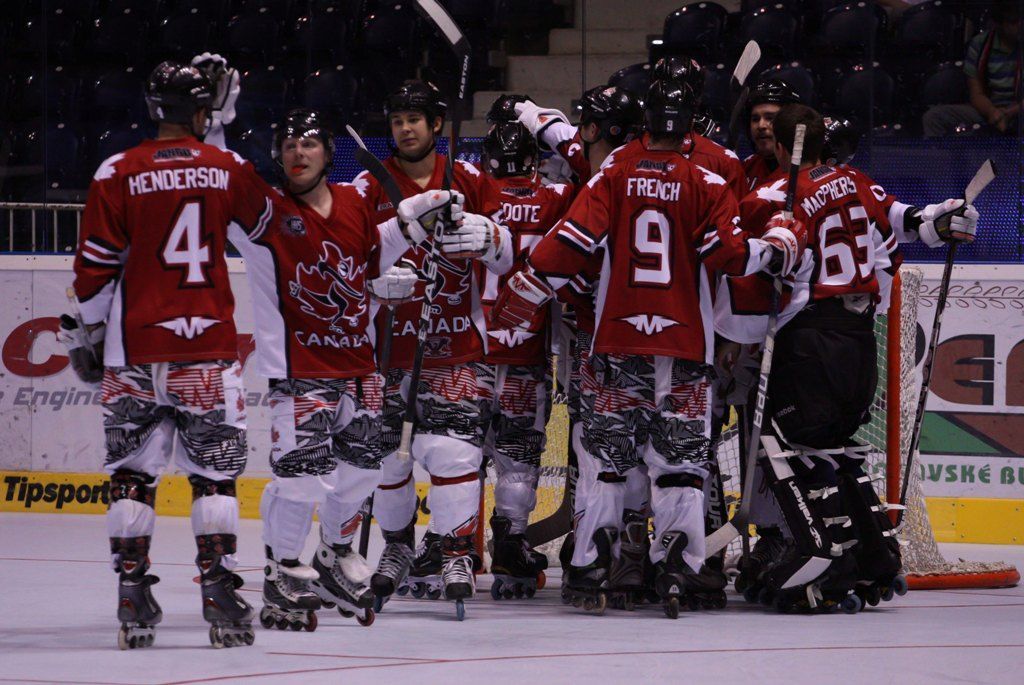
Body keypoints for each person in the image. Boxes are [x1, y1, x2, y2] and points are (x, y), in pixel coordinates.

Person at [491, 78, 808, 617]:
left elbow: (569, 243)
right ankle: (679, 568)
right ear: (688, 128)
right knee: (681, 464)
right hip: (685, 349)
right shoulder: (707, 181)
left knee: (606, 462)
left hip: (617, 344)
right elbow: (731, 258)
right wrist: (779, 245)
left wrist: (525, 289)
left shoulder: (613, 173)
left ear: (645, 124)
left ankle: (592, 565)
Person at [717, 104, 978, 613]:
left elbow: (741, 249)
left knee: (789, 445)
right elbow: (909, 225)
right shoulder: (857, 182)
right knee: (838, 446)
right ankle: (875, 554)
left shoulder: (777, 195)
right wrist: (944, 221)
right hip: (860, 339)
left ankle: (824, 556)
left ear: (782, 146)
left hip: (810, 339)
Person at [64, 59, 270, 649]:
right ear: (203, 111)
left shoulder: (117, 170)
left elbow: (94, 268)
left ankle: (131, 592)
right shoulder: (227, 167)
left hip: (133, 350)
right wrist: (222, 136)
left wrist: (91, 335)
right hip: (206, 350)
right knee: (214, 477)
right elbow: (264, 226)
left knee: (131, 476)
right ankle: (219, 590)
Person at [224, 107, 453, 630]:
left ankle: (332, 555)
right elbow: (226, 181)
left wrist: (414, 223)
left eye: (307, 144)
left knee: (364, 471)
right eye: (288, 145)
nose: (297, 153)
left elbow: (373, 250)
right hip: (300, 370)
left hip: (359, 366)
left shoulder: (353, 201)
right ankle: (282, 571)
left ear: (328, 153)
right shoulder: (267, 213)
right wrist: (215, 126)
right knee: (300, 478)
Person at [357, 80, 513, 616]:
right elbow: (347, 256)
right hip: (386, 354)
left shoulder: (469, 179)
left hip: (456, 347)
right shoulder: (367, 185)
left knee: (454, 454)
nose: (405, 129)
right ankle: (398, 547)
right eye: (397, 120)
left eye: (414, 119)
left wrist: (490, 238)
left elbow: (507, 257)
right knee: (387, 461)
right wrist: (373, 282)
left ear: (437, 125)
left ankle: (455, 552)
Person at [475, 117, 575, 598]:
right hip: (526, 352)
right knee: (517, 461)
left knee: (459, 456)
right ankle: (510, 546)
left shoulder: (473, 196)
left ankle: (448, 548)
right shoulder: (556, 199)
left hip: (470, 354)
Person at [923, 0, 1021, 137]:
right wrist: (992, 112)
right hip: (989, 108)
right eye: (1013, 23)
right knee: (934, 118)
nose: (1020, 26)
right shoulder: (979, 44)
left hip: (1019, 110)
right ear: (998, 24)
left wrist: (1009, 113)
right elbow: (976, 93)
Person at [513, 84, 643, 185]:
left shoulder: (601, 189)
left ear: (593, 130)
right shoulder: (640, 173)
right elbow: (548, 126)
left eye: (582, 121)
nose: (577, 131)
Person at [742, 79, 802, 190]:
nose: (761, 125)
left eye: (770, 118)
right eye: (755, 119)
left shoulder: (807, 170)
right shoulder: (746, 167)